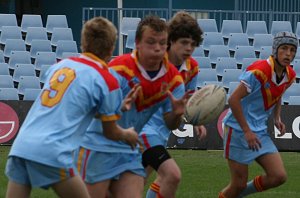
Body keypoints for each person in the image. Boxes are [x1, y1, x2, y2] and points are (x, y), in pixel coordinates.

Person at [5, 16, 140, 198]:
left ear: (83, 43)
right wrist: (128, 134)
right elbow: (111, 132)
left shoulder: (60, 66)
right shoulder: (107, 79)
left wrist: (119, 107)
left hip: (22, 145)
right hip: (53, 149)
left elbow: (75, 103)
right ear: (111, 48)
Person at [75, 15, 188, 198]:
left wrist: (176, 114)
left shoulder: (173, 80)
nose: (158, 48)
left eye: (162, 42)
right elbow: (92, 110)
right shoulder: (118, 69)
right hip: (97, 146)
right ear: (138, 43)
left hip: (129, 149)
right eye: (151, 42)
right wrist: (119, 107)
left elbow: (170, 124)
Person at [219, 31, 298, 198]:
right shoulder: (259, 71)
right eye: (284, 48)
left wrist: (277, 117)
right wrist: (247, 131)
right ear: (275, 50)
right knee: (238, 184)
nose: (288, 54)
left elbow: (279, 93)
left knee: (278, 176)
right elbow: (233, 99)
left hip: (260, 131)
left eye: (292, 50)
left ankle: (238, 195)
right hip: (238, 130)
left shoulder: (290, 75)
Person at [141, 11, 207, 198]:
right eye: (184, 42)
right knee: (169, 175)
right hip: (143, 129)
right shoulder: (153, 60)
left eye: (193, 44)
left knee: (155, 178)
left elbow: (190, 99)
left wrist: (198, 120)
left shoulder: (192, 68)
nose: (189, 48)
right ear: (171, 40)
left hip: (162, 129)